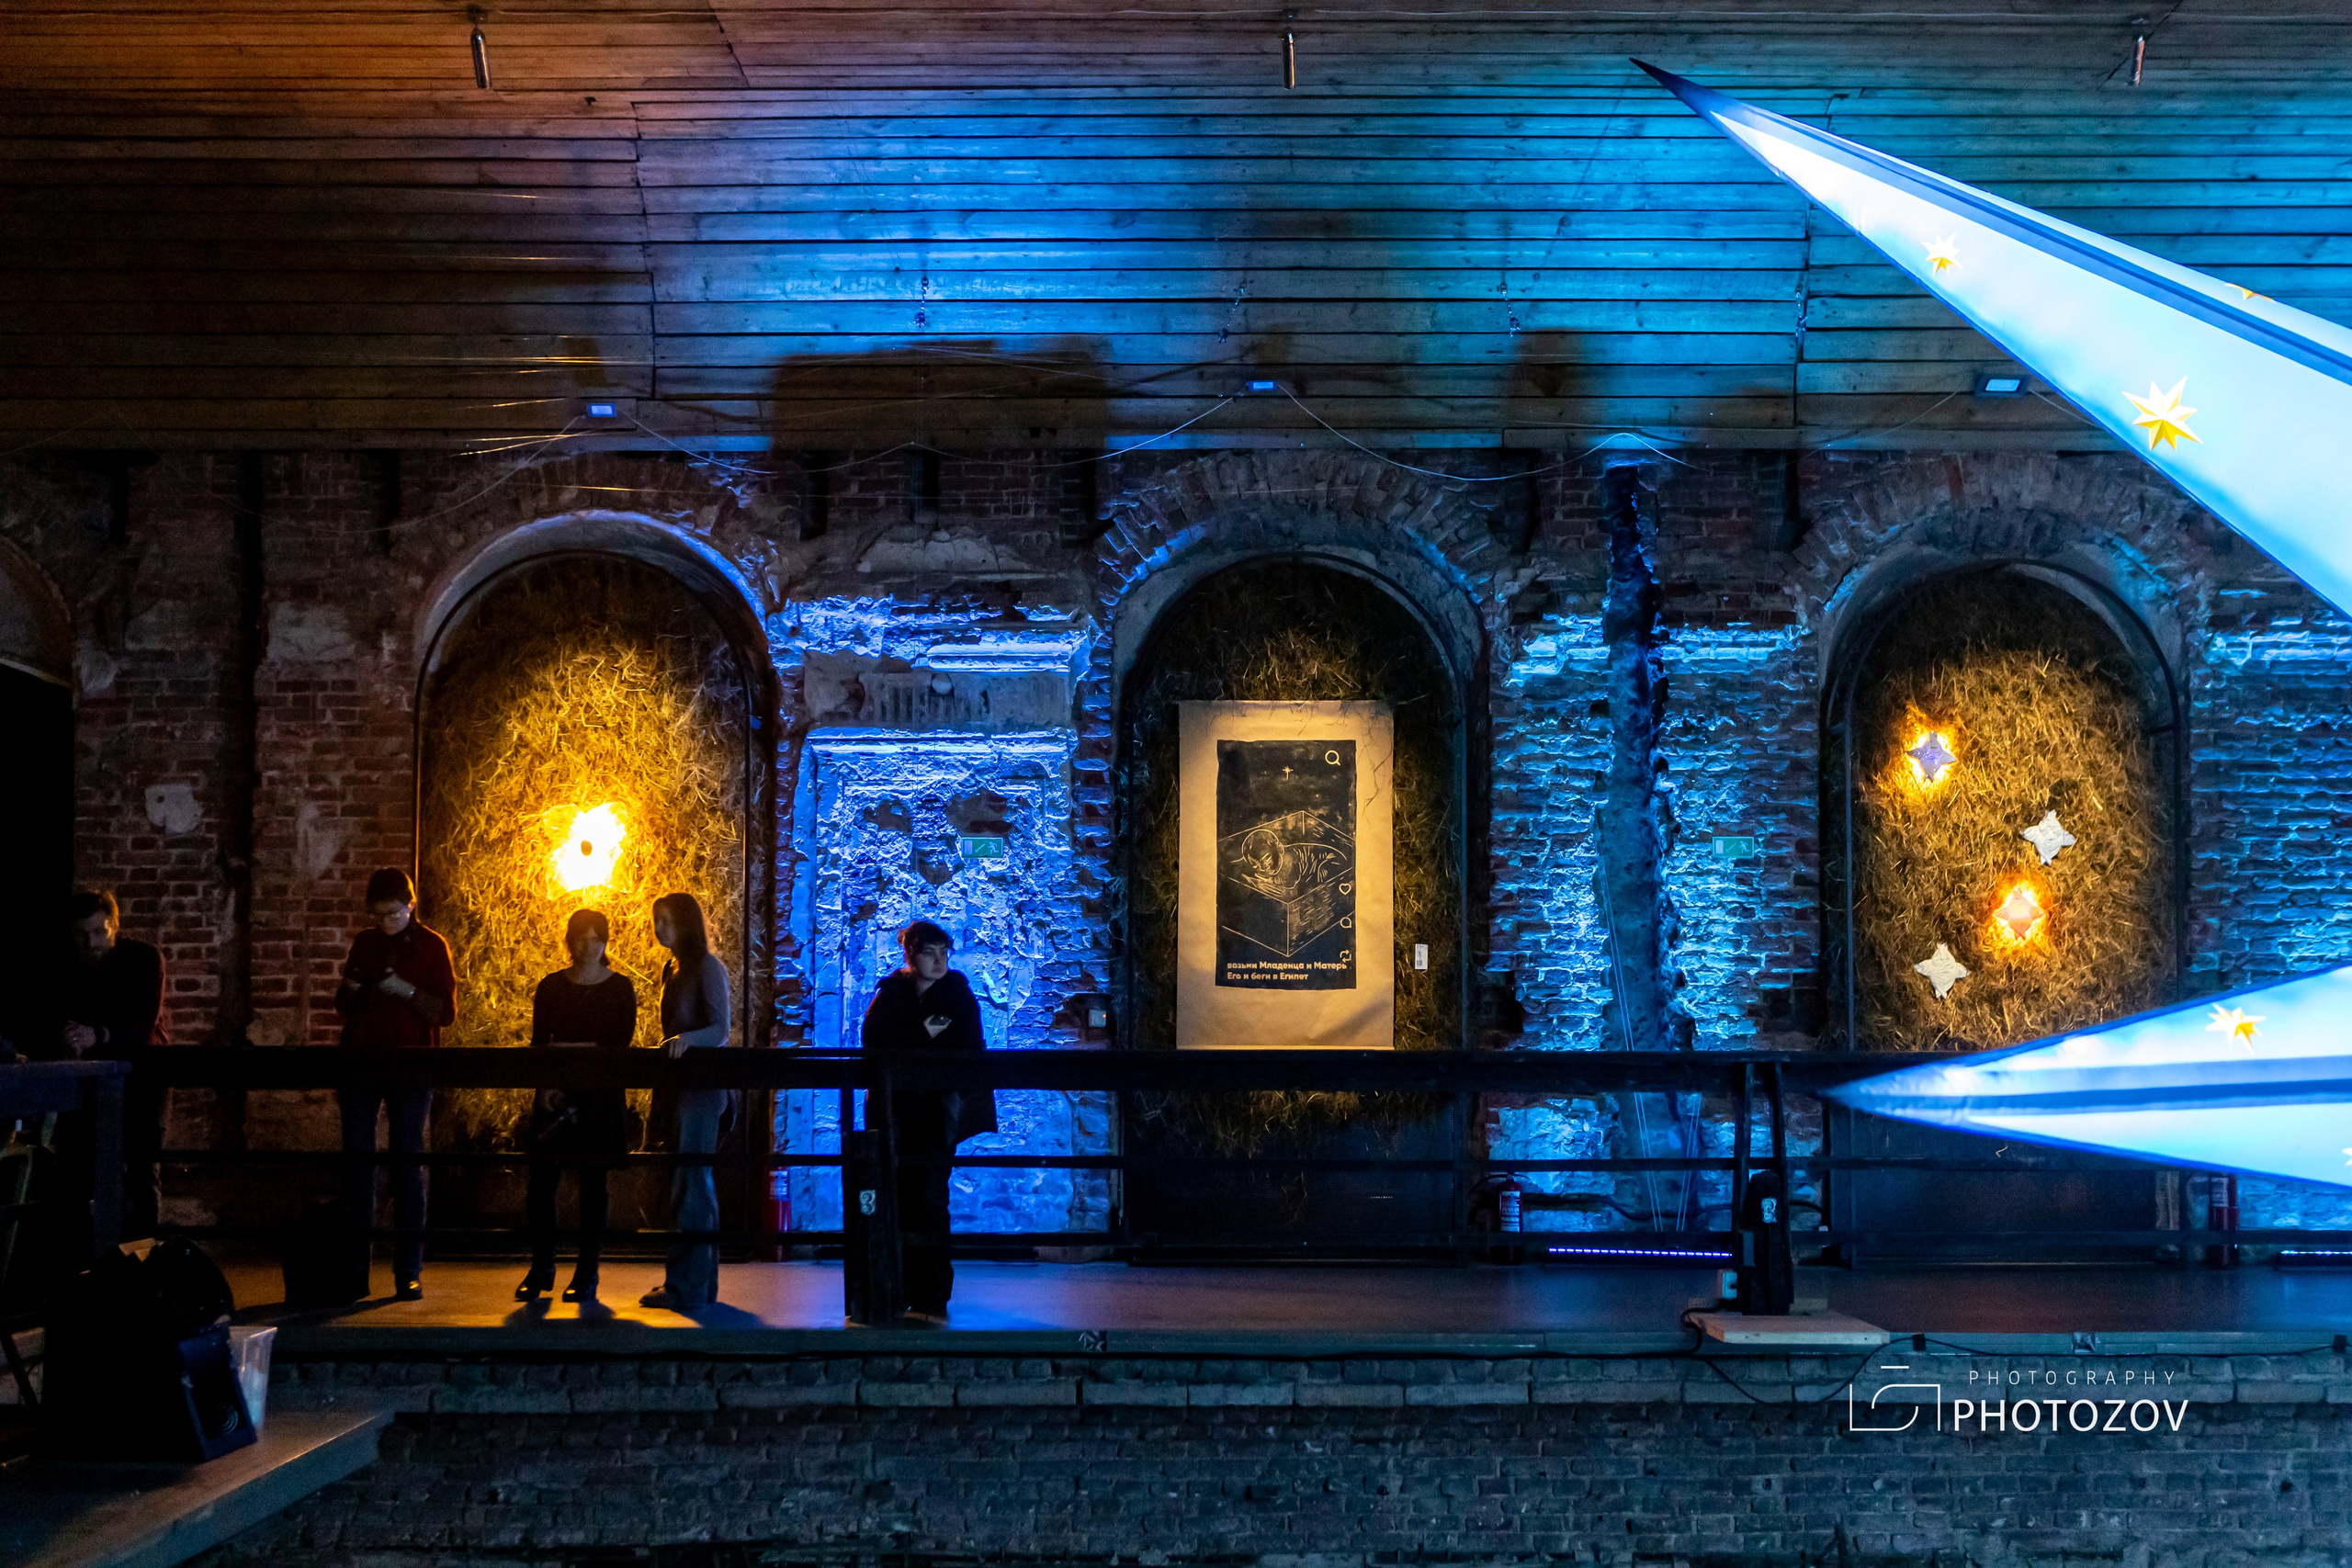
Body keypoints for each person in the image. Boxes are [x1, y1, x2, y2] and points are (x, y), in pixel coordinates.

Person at [860, 919, 994, 1321]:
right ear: (911, 955)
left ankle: (933, 1295)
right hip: (895, 1110)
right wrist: (925, 1033)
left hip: (937, 1113)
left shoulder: (957, 994)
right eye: (929, 953)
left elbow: (964, 1041)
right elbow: (874, 1040)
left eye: (943, 953)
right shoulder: (891, 992)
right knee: (897, 1199)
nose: (939, 961)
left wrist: (917, 1036)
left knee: (931, 1199)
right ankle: (898, 1288)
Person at [334, 867, 457, 1302]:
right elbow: (342, 1004)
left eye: (393, 913)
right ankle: (354, 1268)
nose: (386, 921)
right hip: (362, 1062)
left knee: (408, 1166)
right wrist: (354, 988)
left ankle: (408, 1269)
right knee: (358, 1168)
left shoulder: (431, 946)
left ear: (411, 905)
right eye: (379, 914)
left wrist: (402, 989)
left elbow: (444, 1012)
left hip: (411, 1065)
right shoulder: (365, 943)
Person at [517, 908, 637, 1305]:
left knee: (592, 1187)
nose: (588, 945)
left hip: (600, 1096)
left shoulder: (620, 988)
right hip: (558, 1093)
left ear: (605, 942)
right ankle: (542, 1265)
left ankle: (587, 1271)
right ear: (569, 940)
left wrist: (567, 1049)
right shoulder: (550, 987)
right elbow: (538, 1045)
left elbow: (619, 1044)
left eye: (595, 937)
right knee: (541, 1185)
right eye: (581, 937)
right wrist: (544, 1085)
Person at [49, 888, 169, 1244]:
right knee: (85, 1170)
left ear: (115, 926)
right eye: (82, 935)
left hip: (145, 1079)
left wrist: (94, 1035)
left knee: (142, 1172)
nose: (92, 943)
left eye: (99, 932)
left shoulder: (146, 959)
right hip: (95, 1082)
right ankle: (96, 1264)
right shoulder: (72, 966)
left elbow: (143, 1027)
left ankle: (144, 1267)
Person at [642, 892, 730, 1311]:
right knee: (689, 1183)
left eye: (665, 920)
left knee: (693, 1185)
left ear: (685, 923)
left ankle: (689, 1288)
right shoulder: (672, 969)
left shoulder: (707, 968)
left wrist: (684, 1042)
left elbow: (720, 1028)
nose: (658, 928)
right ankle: (693, 1284)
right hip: (682, 1087)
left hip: (701, 1089)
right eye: (656, 920)